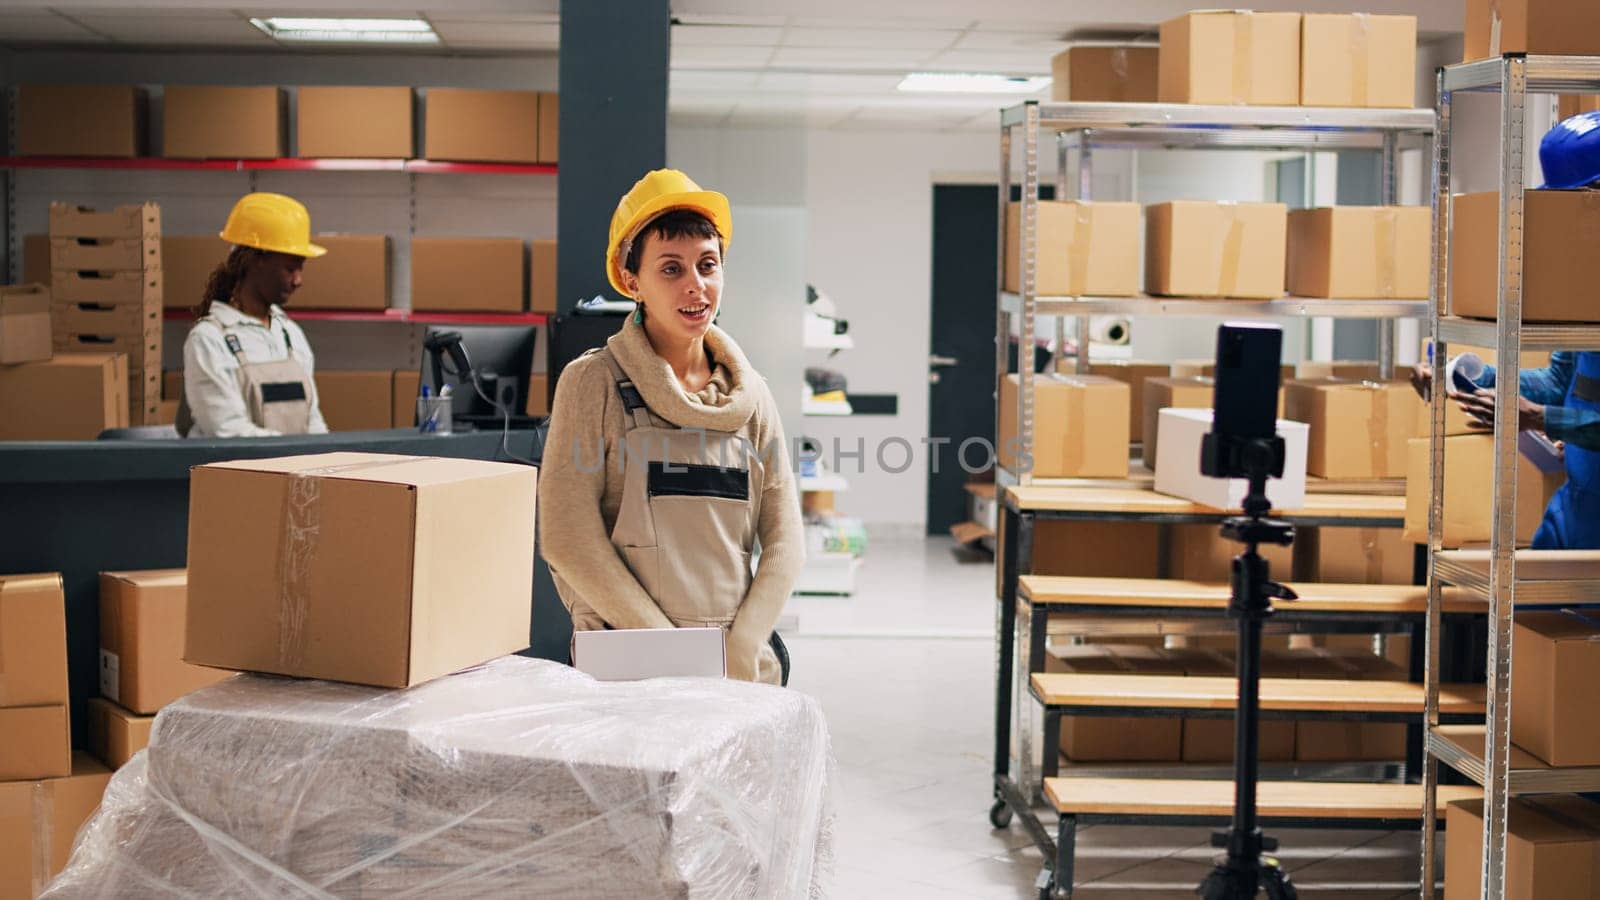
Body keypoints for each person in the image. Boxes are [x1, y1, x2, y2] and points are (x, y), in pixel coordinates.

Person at [539, 169, 804, 684]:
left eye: (707, 265)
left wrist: (745, 642)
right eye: (671, 269)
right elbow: (567, 538)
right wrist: (668, 651)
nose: (695, 285)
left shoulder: (752, 398)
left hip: (738, 667)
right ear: (632, 281)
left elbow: (785, 537)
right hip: (632, 665)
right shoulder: (592, 383)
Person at [1410, 112, 1600, 549]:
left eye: (1574, 202)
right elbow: (1558, 381)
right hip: (1575, 512)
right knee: (1531, 615)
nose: (1563, 220)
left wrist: (1540, 419)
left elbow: (1548, 408)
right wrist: (1469, 376)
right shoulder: (1583, 283)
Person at [178, 192, 330, 438]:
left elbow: (313, 423)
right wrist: (296, 454)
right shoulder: (209, 340)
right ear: (255, 259)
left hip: (292, 471)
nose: (298, 280)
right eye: (290, 268)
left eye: (301, 268)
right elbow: (228, 432)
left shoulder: (288, 333)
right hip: (238, 475)